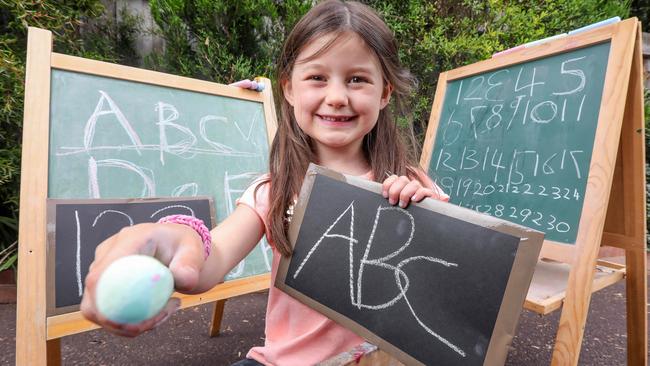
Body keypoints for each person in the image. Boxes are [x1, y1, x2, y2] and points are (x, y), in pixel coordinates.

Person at [80, 1, 449, 365]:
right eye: (317, 77)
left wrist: (426, 215)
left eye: (357, 79)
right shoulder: (273, 190)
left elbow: (450, 287)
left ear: (384, 93)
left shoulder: (408, 184)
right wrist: (180, 238)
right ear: (289, 90)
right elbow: (214, 256)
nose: (337, 97)